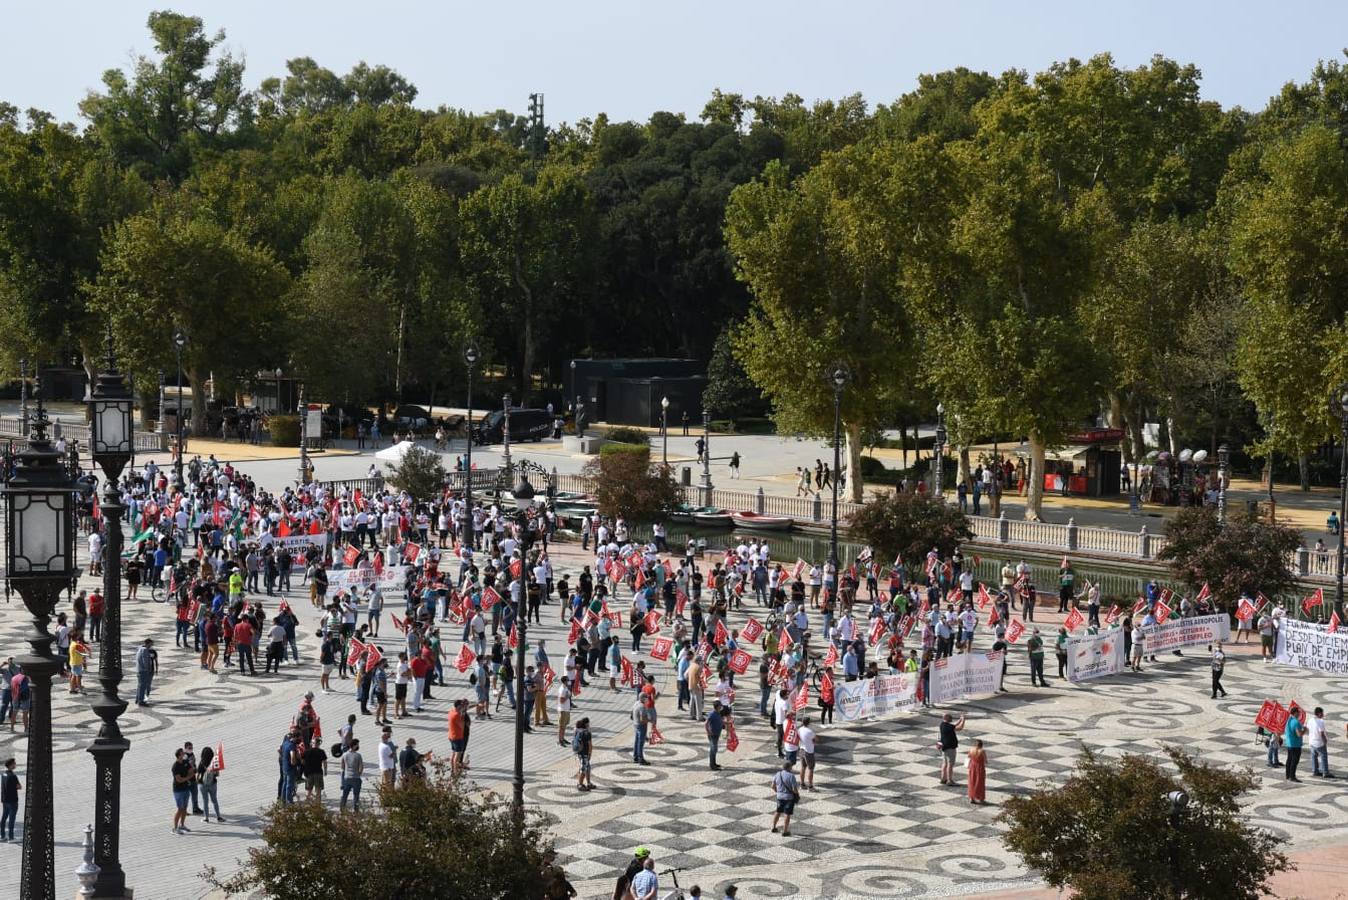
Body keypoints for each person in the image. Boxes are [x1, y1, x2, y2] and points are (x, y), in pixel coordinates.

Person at [770, 760, 800, 836]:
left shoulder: (778, 774)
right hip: (789, 798)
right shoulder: (791, 776)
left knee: (778, 811)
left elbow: (772, 786)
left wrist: (778, 792)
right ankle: (785, 831)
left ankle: (773, 827)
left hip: (779, 797)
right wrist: (797, 795)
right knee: (787, 814)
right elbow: (794, 789)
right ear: (789, 767)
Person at [938, 712, 966, 786]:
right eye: (950, 717)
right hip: (950, 748)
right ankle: (949, 780)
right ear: (946, 718)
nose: (951, 718)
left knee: (945, 763)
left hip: (944, 747)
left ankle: (943, 778)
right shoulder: (947, 726)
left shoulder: (942, 724)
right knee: (950, 764)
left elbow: (953, 726)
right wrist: (963, 720)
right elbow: (959, 728)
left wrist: (960, 720)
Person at [171, 748, 194, 834]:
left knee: (184, 808)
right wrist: (188, 778)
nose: (184, 754)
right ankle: (175, 828)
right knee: (180, 809)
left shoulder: (185, 762)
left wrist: (186, 778)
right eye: (182, 753)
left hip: (186, 788)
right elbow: (179, 780)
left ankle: (182, 825)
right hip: (178, 790)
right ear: (179, 755)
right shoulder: (175, 766)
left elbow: (191, 771)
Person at [198, 746, 223, 823]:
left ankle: (206, 818)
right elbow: (217, 774)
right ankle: (218, 817)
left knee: (205, 801)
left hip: (203, 784)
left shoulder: (201, 763)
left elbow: (198, 774)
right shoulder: (214, 762)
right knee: (214, 800)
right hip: (213, 784)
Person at [339, 739, 365, 811]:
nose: (358, 746)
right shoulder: (358, 755)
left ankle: (342, 809)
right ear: (354, 745)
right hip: (356, 778)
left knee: (345, 795)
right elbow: (361, 767)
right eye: (357, 744)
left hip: (347, 777)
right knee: (356, 795)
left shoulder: (344, 755)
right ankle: (355, 811)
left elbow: (342, 767)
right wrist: (358, 774)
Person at [1285, 705, 1307, 782]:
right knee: (1294, 761)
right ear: (1295, 713)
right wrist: (1305, 730)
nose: (1299, 714)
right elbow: (1299, 734)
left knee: (1289, 760)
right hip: (1295, 744)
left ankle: (1287, 775)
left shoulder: (1289, 720)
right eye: (1298, 712)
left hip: (1289, 743)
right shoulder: (1296, 722)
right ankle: (1292, 776)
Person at [573, 716, 594, 792]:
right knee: (583, 769)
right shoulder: (587, 733)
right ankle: (580, 784)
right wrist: (589, 755)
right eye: (588, 724)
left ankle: (588, 783)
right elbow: (590, 745)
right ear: (586, 725)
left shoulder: (577, 731)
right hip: (585, 753)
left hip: (579, 753)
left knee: (587, 768)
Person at [1311, 707, 1332, 777]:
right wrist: (1325, 741)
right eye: (1322, 713)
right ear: (1319, 713)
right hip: (1319, 742)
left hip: (1312, 742)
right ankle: (1325, 772)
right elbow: (1322, 733)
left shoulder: (1310, 720)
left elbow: (1307, 729)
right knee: (1323, 757)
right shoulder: (1320, 721)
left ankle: (1315, 771)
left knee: (1314, 757)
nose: (1323, 714)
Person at [1, 758, 19, 842]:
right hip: (12, 801)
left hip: (5, 800)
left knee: (4, 818)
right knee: (12, 819)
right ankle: (11, 838)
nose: (15, 764)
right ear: (11, 765)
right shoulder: (13, 776)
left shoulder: (3, 774)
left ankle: (2, 836)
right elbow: (19, 786)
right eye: (14, 763)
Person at [135, 638, 158, 706]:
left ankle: (138, 699)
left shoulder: (140, 649)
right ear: (148, 643)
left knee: (140, 686)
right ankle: (141, 701)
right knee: (143, 686)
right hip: (143, 671)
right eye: (151, 644)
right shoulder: (145, 650)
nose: (152, 645)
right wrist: (148, 669)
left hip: (139, 670)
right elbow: (145, 661)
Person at [797, 717, 817, 790]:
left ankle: (802, 784)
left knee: (803, 767)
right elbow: (817, 739)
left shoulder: (799, 729)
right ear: (809, 723)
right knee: (811, 769)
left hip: (801, 750)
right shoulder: (810, 731)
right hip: (809, 751)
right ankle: (810, 786)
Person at [966, 738, 987, 805]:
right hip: (980, 767)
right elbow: (986, 761)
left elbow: (968, 756)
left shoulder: (971, 749)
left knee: (972, 782)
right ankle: (981, 799)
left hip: (972, 767)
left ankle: (971, 797)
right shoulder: (982, 751)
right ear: (981, 745)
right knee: (980, 783)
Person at [706, 700, 724, 770]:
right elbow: (706, 723)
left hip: (717, 733)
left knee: (714, 749)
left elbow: (720, 721)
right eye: (720, 706)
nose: (721, 707)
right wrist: (708, 731)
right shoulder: (712, 714)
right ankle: (712, 765)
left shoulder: (718, 713)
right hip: (713, 734)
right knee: (713, 749)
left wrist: (726, 723)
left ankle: (714, 763)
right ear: (717, 707)